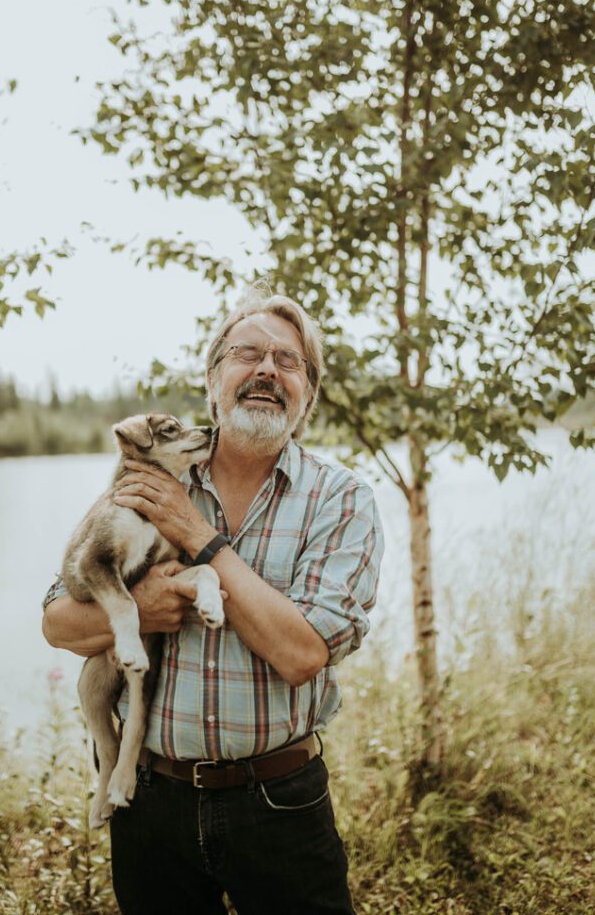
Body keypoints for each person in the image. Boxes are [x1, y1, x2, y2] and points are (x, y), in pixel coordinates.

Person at [42, 288, 384, 915]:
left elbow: (303, 654)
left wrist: (196, 534)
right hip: (149, 800)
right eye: (247, 353)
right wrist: (139, 607)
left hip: (279, 800)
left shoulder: (341, 500)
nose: (266, 370)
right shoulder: (151, 476)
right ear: (213, 379)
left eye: (288, 361)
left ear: (308, 393)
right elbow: (57, 623)